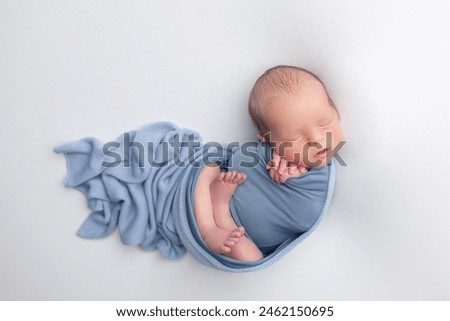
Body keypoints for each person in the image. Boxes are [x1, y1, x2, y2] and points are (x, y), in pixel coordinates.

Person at [193, 65, 344, 261]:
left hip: (244, 237)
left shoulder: (315, 179)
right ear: (268, 139)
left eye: (325, 123)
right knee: (208, 167)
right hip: (223, 201)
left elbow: (303, 213)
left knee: (249, 257)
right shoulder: (268, 155)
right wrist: (279, 157)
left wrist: (295, 179)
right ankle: (208, 229)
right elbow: (239, 160)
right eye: (295, 137)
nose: (316, 139)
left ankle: (220, 209)